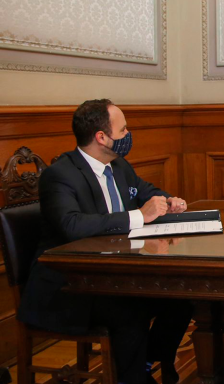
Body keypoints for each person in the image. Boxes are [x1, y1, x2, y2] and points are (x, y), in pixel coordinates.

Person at [17, 99, 194, 384]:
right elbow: (72, 225)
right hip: (67, 285)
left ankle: (145, 362)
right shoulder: (59, 176)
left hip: (112, 273)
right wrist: (138, 215)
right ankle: (131, 378)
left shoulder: (118, 165)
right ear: (101, 137)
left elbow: (145, 191)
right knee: (130, 309)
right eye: (123, 130)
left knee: (181, 298)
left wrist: (167, 200)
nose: (128, 135)